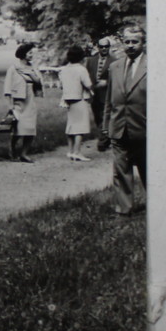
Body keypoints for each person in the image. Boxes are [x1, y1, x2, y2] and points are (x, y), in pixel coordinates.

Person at [102, 25, 147, 216]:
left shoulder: (156, 65)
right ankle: (124, 209)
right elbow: (110, 100)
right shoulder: (115, 66)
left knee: (149, 171)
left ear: (143, 43)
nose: (130, 46)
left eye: (134, 41)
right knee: (121, 171)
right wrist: (106, 127)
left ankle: (157, 208)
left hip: (145, 129)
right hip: (119, 127)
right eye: (127, 41)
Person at [3, 43, 43, 163]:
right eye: (30, 53)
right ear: (23, 53)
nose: (32, 55)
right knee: (18, 129)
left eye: (32, 53)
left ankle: (24, 154)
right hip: (18, 101)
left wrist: (32, 75)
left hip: (30, 100)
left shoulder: (33, 68)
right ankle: (12, 152)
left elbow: (39, 83)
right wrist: (10, 105)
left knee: (30, 128)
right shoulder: (14, 68)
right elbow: (7, 88)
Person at [58, 45, 93, 162]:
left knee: (71, 125)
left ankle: (71, 151)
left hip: (68, 99)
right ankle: (77, 152)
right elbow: (88, 84)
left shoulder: (64, 70)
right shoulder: (81, 69)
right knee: (80, 126)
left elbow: (61, 85)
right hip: (79, 99)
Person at [86, 37, 117, 129]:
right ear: (98, 47)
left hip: (107, 95)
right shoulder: (91, 60)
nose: (104, 49)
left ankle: (105, 138)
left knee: (106, 118)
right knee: (97, 118)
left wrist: (107, 82)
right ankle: (101, 135)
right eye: (101, 46)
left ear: (109, 47)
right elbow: (87, 76)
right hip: (94, 95)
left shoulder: (115, 61)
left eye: (106, 46)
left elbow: (117, 79)